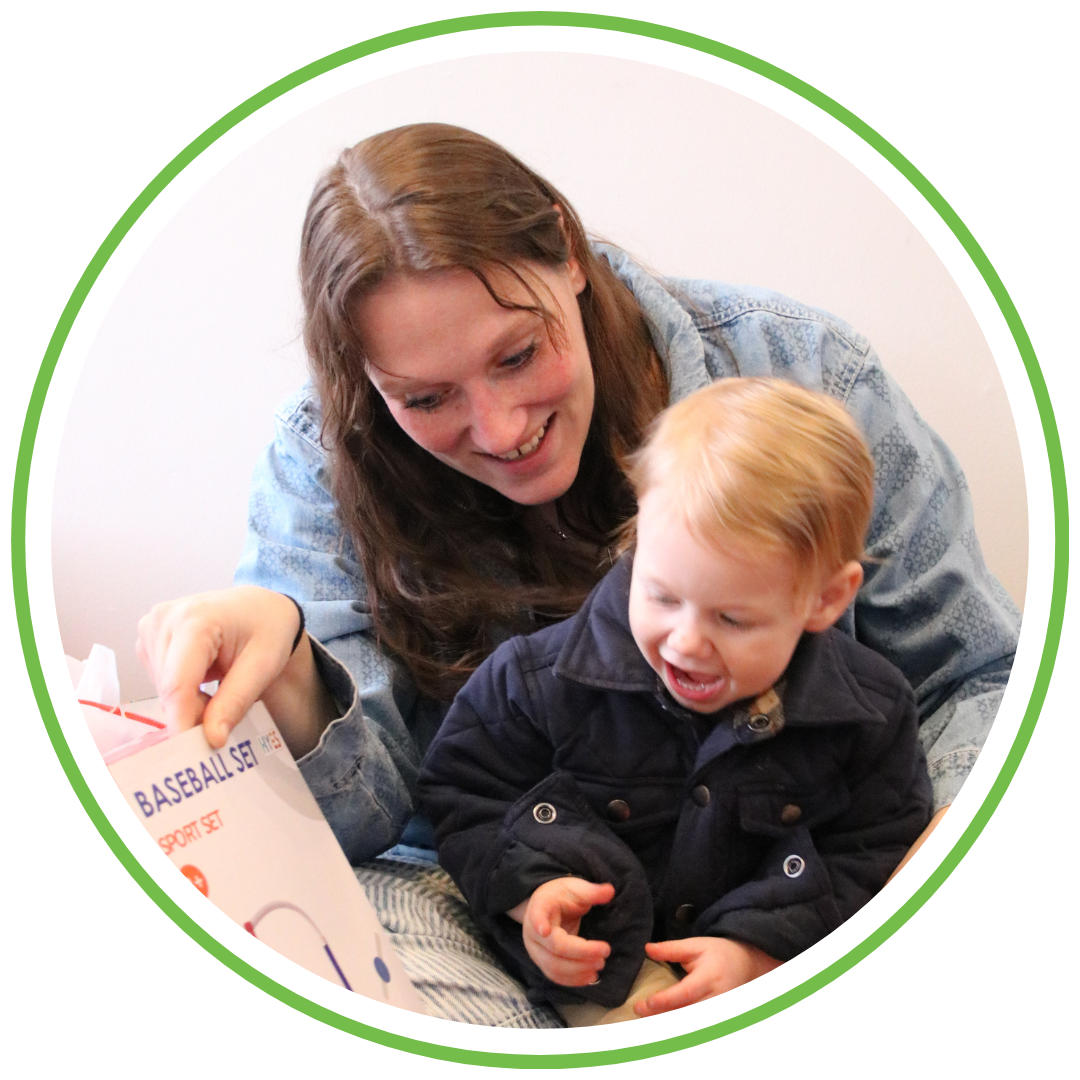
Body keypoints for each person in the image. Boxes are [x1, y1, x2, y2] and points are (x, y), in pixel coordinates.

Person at [135, 123, 1020, 1025]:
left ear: (568, 250)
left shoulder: (807, 371)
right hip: (480, 900)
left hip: (806, 888)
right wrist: (293, 668)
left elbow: (979, 678)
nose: (500, 425)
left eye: (518, 355)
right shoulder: (320, 463)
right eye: (427, 399)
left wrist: (848, 916)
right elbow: (386, 820)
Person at [419, 378, 934, 1022]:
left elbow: (869, 851)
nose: (686, 643)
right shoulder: (534, 681)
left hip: (765, 980)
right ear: (638, 539)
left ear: (826, 599)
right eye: (661, 596)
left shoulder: (872, 714)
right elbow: (462, 794)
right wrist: (532, 894)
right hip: (596, 978)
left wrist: (756, 952)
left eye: (732, 619)